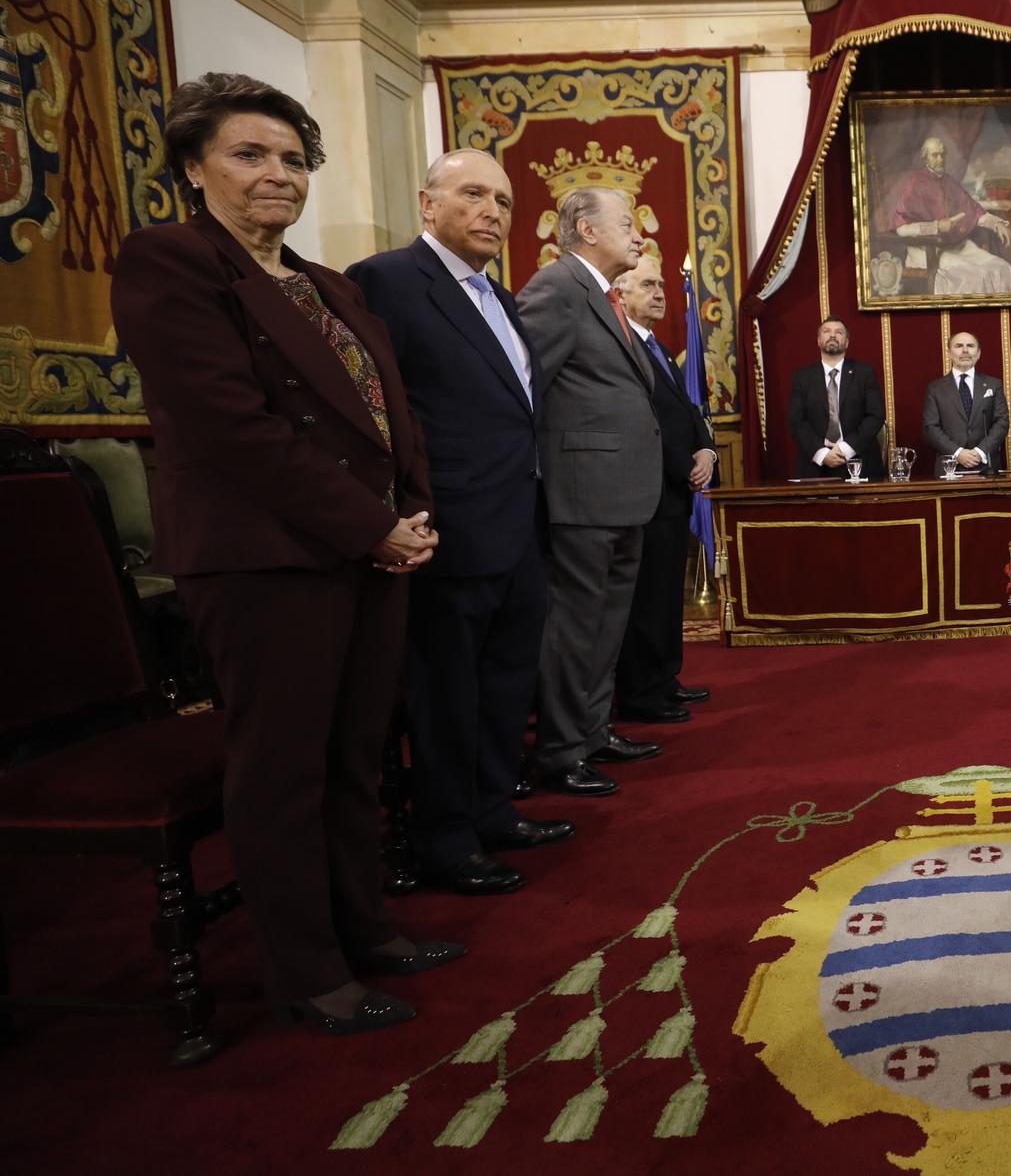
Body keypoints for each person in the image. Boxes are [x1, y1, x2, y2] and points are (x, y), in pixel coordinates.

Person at [110, 72, 459, 1034]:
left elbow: (392, 416)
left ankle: (364, 930)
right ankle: (307, 972)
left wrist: (412, 513)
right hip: (266, 560)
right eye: (249, 154)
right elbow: (236, 428)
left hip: (368, 552)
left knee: (353, 757)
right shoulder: (171, 263)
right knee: (283, 768)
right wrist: (369, 523)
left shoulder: (326, 286)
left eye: (295, 159)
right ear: (194, 166)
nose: (279, 175)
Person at [347, 149, 574, 897]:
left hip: (517, 526)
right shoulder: (386, 281)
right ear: (427, 204)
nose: (492, 212)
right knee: (446, 692)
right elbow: (372, 411)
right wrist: (398, 510)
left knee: (506, 683)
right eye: (473, 194)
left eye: (503, 201)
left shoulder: (500, 299)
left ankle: (490, 809)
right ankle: (444, 837)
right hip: (445, 528)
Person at [514, 188, 663, 797]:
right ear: (586, 229)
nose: (638, 235)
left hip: (622, 492)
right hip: (581, 493)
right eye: (626, 224)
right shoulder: (556, 288)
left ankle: (594, 729)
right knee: (576, 625)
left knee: (608, 623)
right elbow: (523, 387)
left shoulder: (601, 297)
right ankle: (560, 749)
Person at [613, 255, 717, 725]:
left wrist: (708, 452)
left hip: (676, 490)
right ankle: (640, 692)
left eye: (661, 285)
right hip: (647, 491)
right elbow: (646, 421)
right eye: (648, 285)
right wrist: (685, 465)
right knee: (645, 598)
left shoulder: (656, 345)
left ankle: (665, 677)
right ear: (620, 293)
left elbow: (689, 413)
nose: (660, 292)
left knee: (667, 593)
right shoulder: (621, 347)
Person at [884, 135, 1011, 297]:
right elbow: (901, 229)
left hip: (957, 247)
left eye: (943, 154)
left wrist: (996, 224)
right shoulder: (915, 183)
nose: (940, 159)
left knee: (1003, 269)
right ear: (925, 156)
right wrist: (936, 226)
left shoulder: (949, 182)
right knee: (976, 276)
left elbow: (973, 212)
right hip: (927, 251)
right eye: (935, 155)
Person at [787, 315, 886, 479]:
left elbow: (875, 416)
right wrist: (822, 453)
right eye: (827, 331)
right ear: (818, 340)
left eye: (839, 332)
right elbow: (796, 421)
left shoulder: (864, 373)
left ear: (847, 342)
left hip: (859, 462)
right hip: (815, 466)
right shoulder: (802, 377)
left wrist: (845, 449)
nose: (832, 335)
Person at [921, 331, 1010, 474]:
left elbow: (1002, 422)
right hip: (949, 467)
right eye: (958, 346)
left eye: (970, 345)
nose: (965, 350)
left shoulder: (993, 384)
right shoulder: (935, 388)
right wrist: (958, 453)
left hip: (986, 466)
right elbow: (930, 427)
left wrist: (980, 452)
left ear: (979, 353)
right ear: (949, 353)